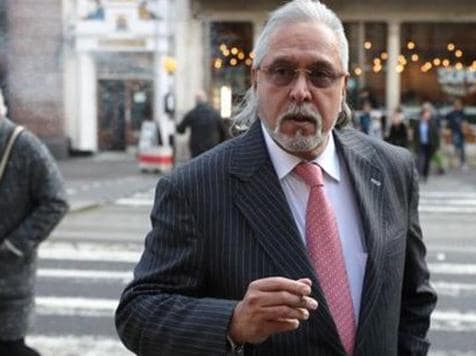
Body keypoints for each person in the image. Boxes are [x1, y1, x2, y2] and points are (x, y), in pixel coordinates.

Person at [115, 1, 437, 355]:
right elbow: (139, 313)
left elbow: (413, 300)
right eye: (282, 72)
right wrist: (233, 322)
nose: (300, 90)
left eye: (320, 74)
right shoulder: (195, 186)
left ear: (343, 86)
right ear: (256, 79)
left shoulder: (392, 169)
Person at [0, 89, 69, 356]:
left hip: (8, 278)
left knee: (10, 347)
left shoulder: (23, 145)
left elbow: (56, 200)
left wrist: (15, 245)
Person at [176, 90, 227, 158]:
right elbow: (223, 131)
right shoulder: (214, 113)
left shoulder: (192, 113)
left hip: (196, 150)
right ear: (205, 99)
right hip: (212, 148)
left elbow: (180, 130)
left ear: (196, 101)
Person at [414, 103, 441, 182]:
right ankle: (418, 174)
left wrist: (437, 145)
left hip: (430, 145)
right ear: (422, 114)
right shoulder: (418, 123)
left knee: (427, 161)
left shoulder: (432, 123)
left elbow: (436, 135)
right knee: (420, 160)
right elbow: (415, 135)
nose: (427, 115)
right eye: (426, 113)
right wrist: (415, 144)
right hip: (420, 144)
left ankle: (425, 176)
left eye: (428, 113)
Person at [445, 98, 468, 170]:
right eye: (456, 104)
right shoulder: (451, 113)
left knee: (462, 149)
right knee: (457, 148)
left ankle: (462, 163)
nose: (457, 106)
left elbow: (465, 122)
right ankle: (456, 162)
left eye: (459, 104)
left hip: (461, 133)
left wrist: (465, 128)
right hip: (455, 133)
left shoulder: (462, 113)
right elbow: (445, 119)